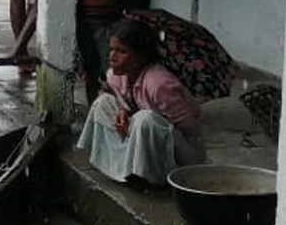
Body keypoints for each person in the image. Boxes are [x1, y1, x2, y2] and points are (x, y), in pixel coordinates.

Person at [77, 16, 205, 185]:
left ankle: (150, 175)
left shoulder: (159, 84)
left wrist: (143, 124)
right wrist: (124, 114)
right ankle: (120, 166)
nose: (112, 57)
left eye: (121, 51)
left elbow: (189, 128)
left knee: (146, 119)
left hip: (179, 152)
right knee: (103, 103)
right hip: (139, 136)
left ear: (140, 57)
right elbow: (127, 104)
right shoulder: (115, 77)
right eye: (111, 50)